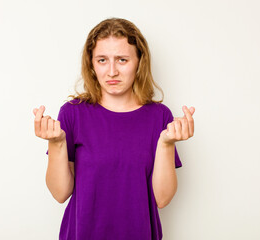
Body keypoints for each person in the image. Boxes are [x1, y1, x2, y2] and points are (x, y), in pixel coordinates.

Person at [33, 17, 195, 240]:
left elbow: (162, 199)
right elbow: (60, 193)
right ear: (91, 64)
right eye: (102, 60)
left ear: (139, 62)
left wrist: (166, 144)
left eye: (122, 60)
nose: (111, 72)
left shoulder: (159, 117)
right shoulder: (72, 114)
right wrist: (57, 143)